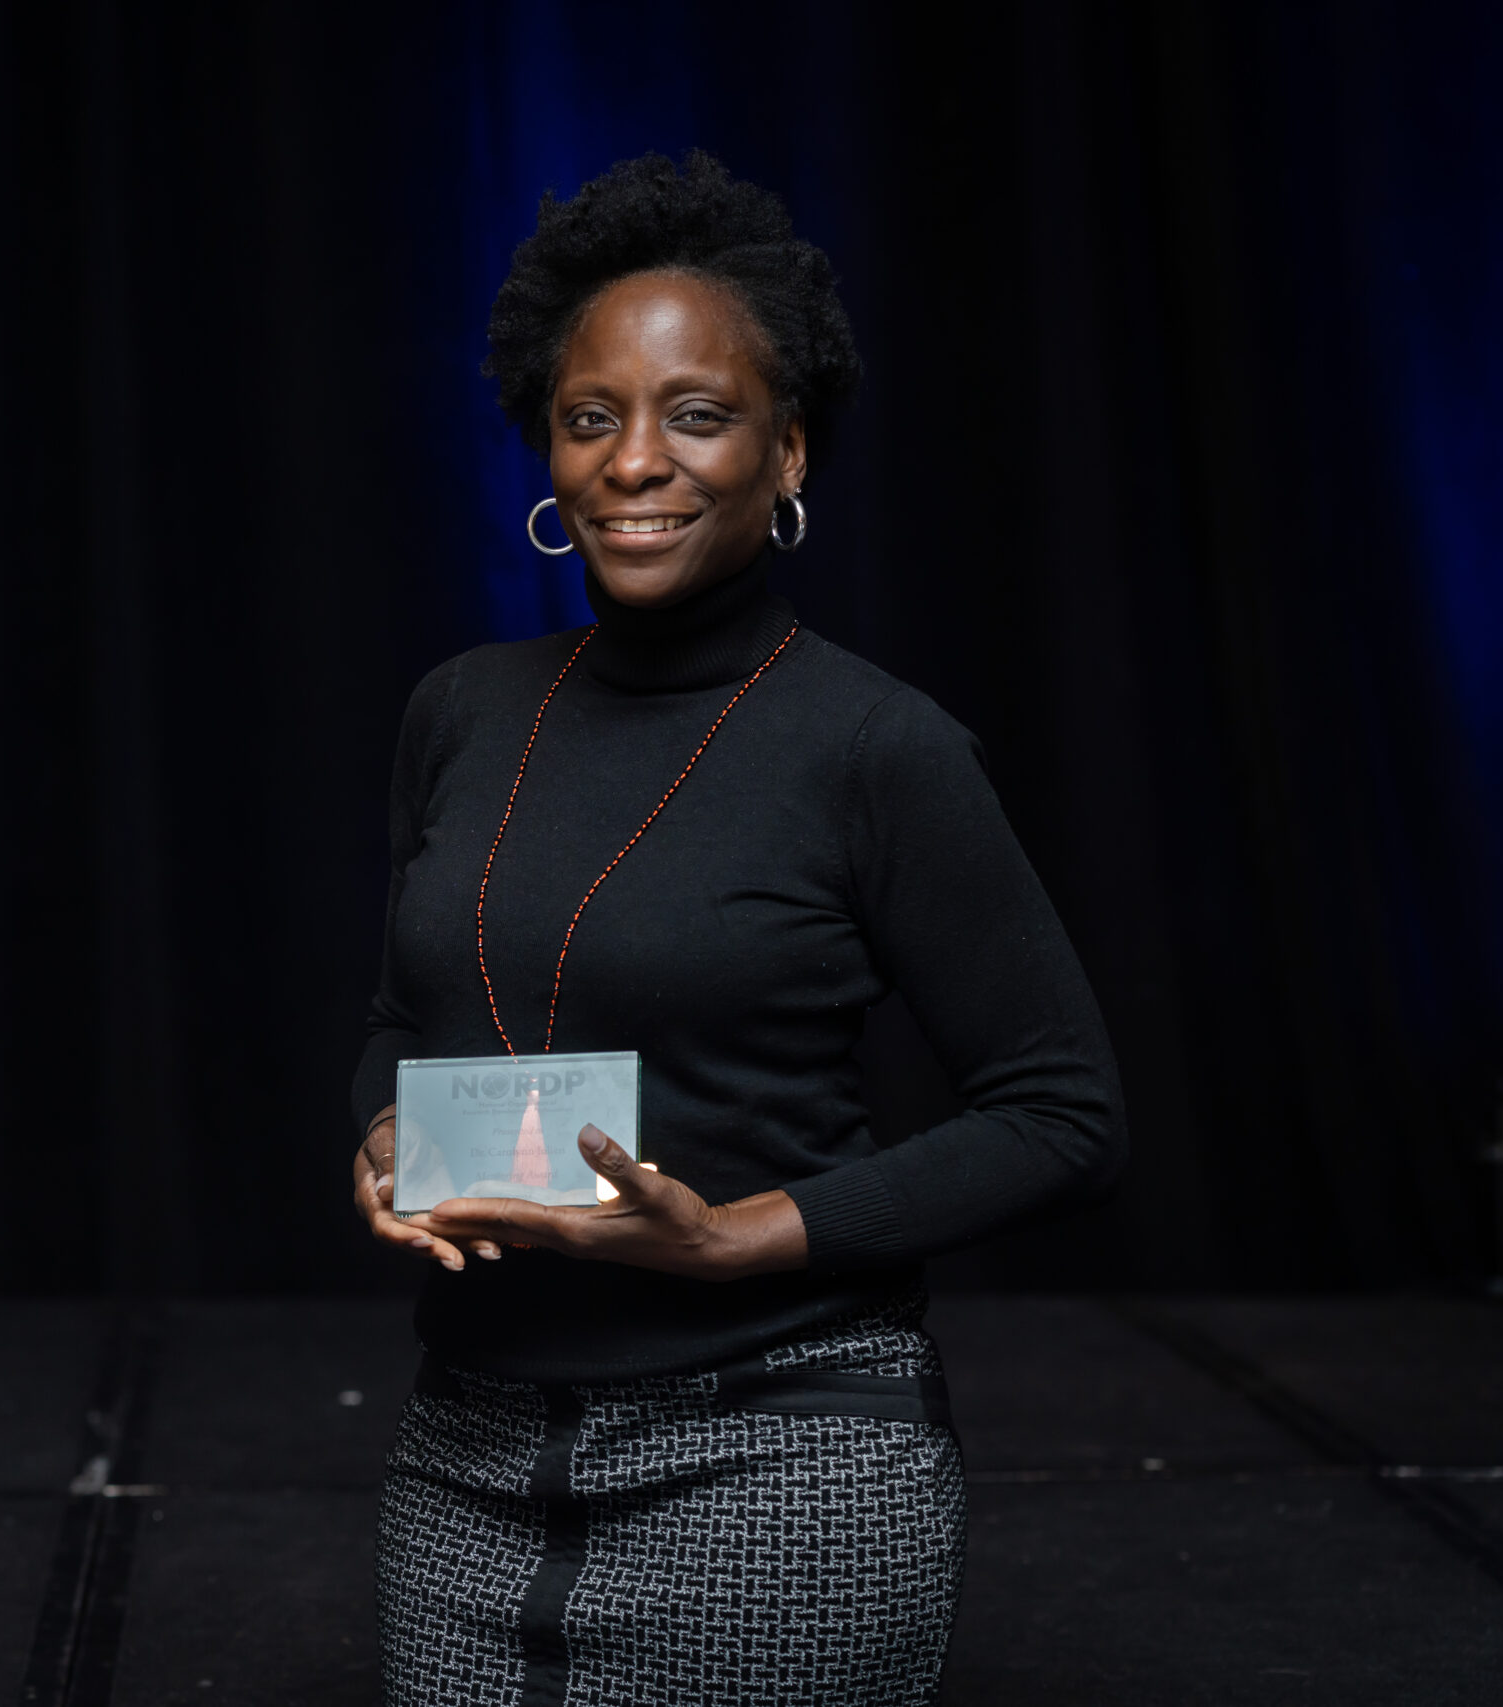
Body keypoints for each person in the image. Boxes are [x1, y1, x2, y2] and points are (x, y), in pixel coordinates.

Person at [349, 151, 1125, 1707]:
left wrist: (730, 1239)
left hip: (781, 1454)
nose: (637, 460)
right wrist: (377, 1136)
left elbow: (1063, 1114)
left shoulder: (878, 748)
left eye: (697, 414)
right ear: (547, 450)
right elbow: (400, 1012)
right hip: (464, 1458)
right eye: (592, 418)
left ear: (787, 455)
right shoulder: (462, 711)